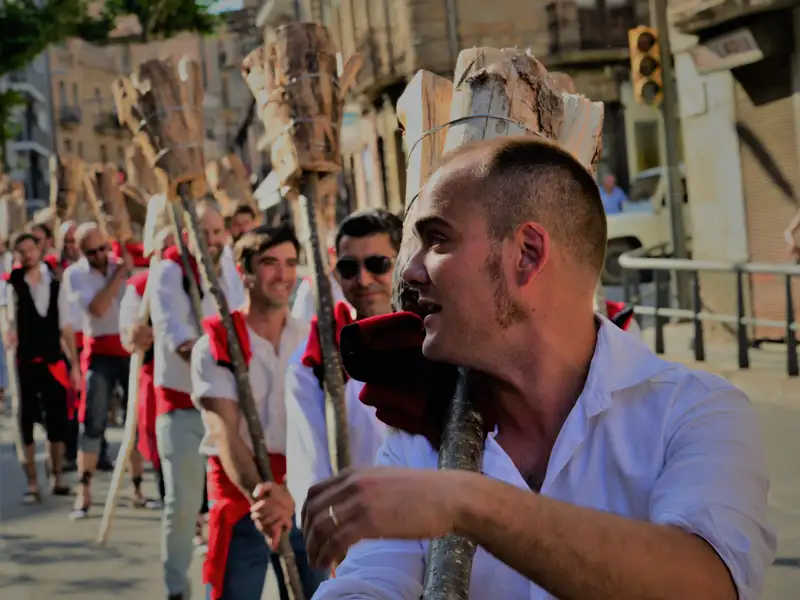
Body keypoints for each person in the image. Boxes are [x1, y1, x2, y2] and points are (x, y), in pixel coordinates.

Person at [300, 137, 776, 599]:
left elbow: (705, 585)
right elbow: (369, 583)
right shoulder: (419, 436)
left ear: (527, 254)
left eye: (437, 240)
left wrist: (467, 503)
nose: (411, 271)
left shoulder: (695, 412)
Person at [190, 224, 320, 600]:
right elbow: (223, 432)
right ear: (244, 271)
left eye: (291, 263)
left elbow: (319, 426)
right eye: (269, 263)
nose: (283, 275)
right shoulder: (216, 341)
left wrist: (291, 496)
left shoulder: (312, 338)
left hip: (303, 493)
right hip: (243, 494)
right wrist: (266, 500)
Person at [150, 199, 245, 600]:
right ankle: (176, 588)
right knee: (184, 504)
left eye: (216, 231)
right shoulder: (168, 271)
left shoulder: (227, 265)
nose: (211, 240)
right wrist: (228, 356)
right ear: (186, 233)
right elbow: (181, 342)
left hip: (229, 403)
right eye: (202, 232)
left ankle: (225, 584)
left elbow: (241, 318)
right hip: (183, 405)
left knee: (232, 503)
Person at [282, 209, 400, 518]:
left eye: (378, 265)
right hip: (365, 534)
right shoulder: (316, 361)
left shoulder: (442, 341)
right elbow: (312, 465)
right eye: (349, 268)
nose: (363, 280)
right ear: (336, 274)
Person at [1, 232, 80, 503]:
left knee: (56, 419)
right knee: (25, 420)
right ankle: (33, 481)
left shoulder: (56, 283)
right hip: (24, 362)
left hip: (52, 360)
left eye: (30, 249)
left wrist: (75, 367)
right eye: (21, 252)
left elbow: (66, 327)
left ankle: (56, 474)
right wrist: (8, 333)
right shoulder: (11, 285)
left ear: (39, 249)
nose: (27, 255)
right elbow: (6, 318)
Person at [67, 223, 135, 519]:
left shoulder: (123, 263)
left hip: (130, 350)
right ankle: (84, 491)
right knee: (93, 422)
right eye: (91, 251)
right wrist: (119, 273)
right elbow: (98, 308)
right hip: (100, 354)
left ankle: (137, 487)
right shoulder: (76, 274)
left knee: (135, 421)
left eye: (102, 248)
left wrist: (124, 269)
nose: (99, 255)